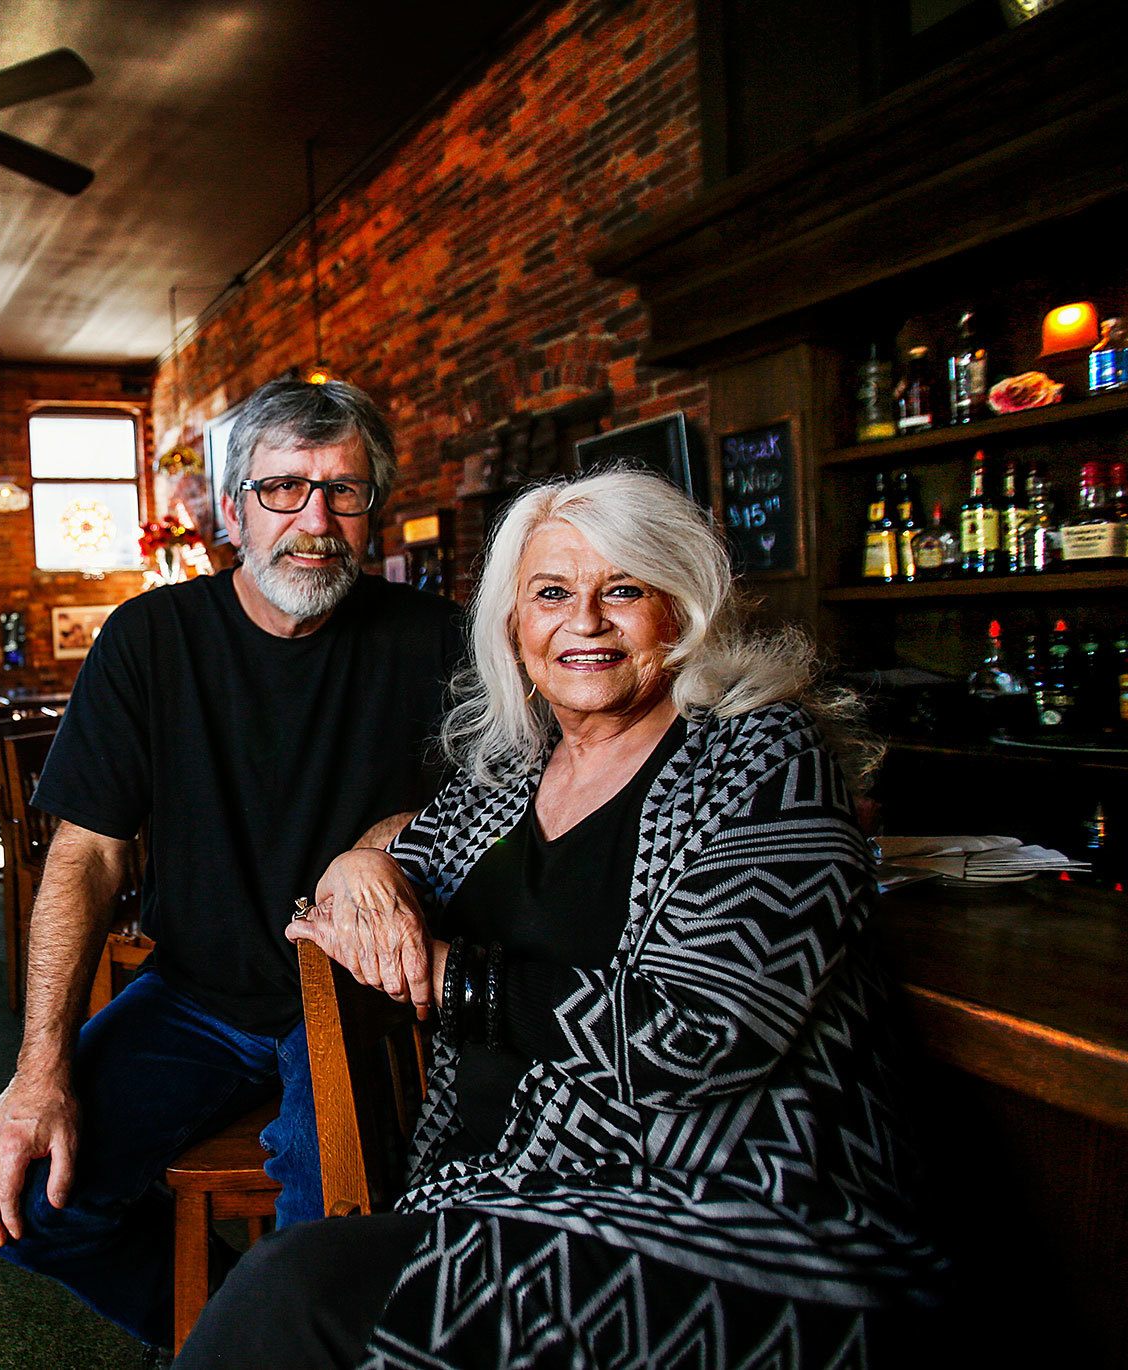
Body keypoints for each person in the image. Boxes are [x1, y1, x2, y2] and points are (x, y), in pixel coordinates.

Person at [177, 469, 942, 1368]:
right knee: (289, 1289)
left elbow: (701, 1037)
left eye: (622, 589)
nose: (583, 620)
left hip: (727, 1210)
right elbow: (372, 883)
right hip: (496, 1190)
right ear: (514, 625)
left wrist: (444, 973)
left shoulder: (760, 756)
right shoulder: (511, 775)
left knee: (289, 1296)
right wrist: (359, 861)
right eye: (550, 593)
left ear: (684, 610)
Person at [0, 378, 466, 1353]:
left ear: (373, 510)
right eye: (282, 488)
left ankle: (285, 1329)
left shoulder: (434, 639)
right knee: (22, 1195)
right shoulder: (151, 637)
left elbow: (492, 806)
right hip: (193, 995)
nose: (313, 521)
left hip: (355, 992)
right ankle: (238, 1337)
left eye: (343, 492)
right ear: (230, 510)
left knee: (335, 1240)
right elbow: (89, 853)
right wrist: (35, 1075)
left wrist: (380, 838)